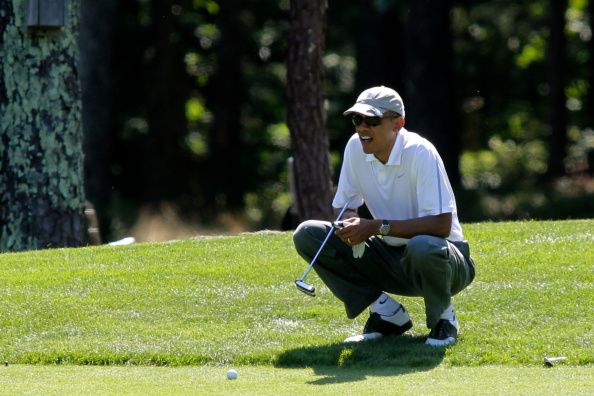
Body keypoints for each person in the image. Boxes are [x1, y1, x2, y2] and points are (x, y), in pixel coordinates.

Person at [293, 86, 476, 346]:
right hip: (391, 258)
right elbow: (345, 206)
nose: (363, 128)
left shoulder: (420, 152)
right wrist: (349, 226)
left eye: (373, 120)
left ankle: (443, 320)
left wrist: (377, 227)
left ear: (398, 123)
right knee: (309, 233)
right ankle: (387, 314)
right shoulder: (355, 148)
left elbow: (440, 225)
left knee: (423, 245)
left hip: (444, 261)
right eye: (358, 120)